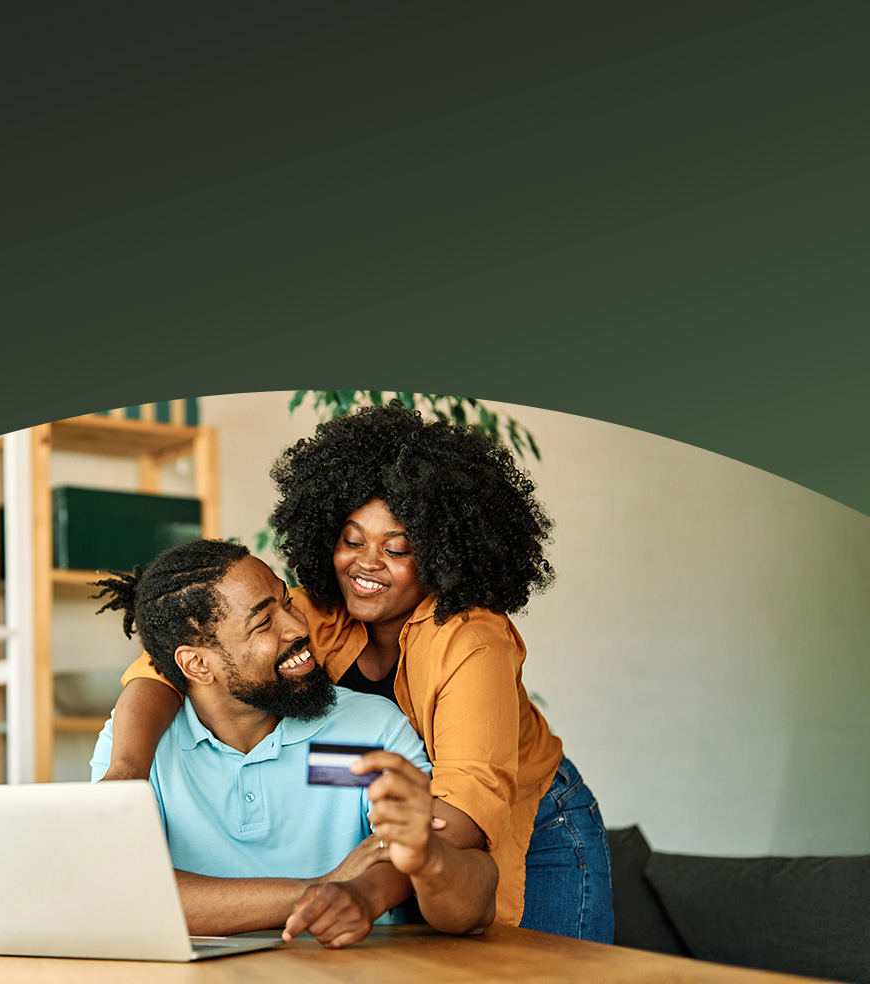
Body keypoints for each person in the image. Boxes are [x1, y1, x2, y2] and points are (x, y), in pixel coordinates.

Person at [105, 404, 614, 942]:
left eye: (397, 549)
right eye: (352, 541)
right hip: (412, 814)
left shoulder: (472, 642)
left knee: (537, 967)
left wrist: (365, 888)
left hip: (529, 819)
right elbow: (168, 664)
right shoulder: (309, 610)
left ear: (443, 555)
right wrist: (125, 773)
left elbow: (459, 818)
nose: (366, 563)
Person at [89, 538, 498, 948]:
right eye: (263, 623)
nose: (300, 628)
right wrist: (322, 888)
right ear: (196, 664)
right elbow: (122, 891)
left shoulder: (371, 731)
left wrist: (372, 884)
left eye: (288, 602)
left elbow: (430, 863)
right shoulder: (137, 747)